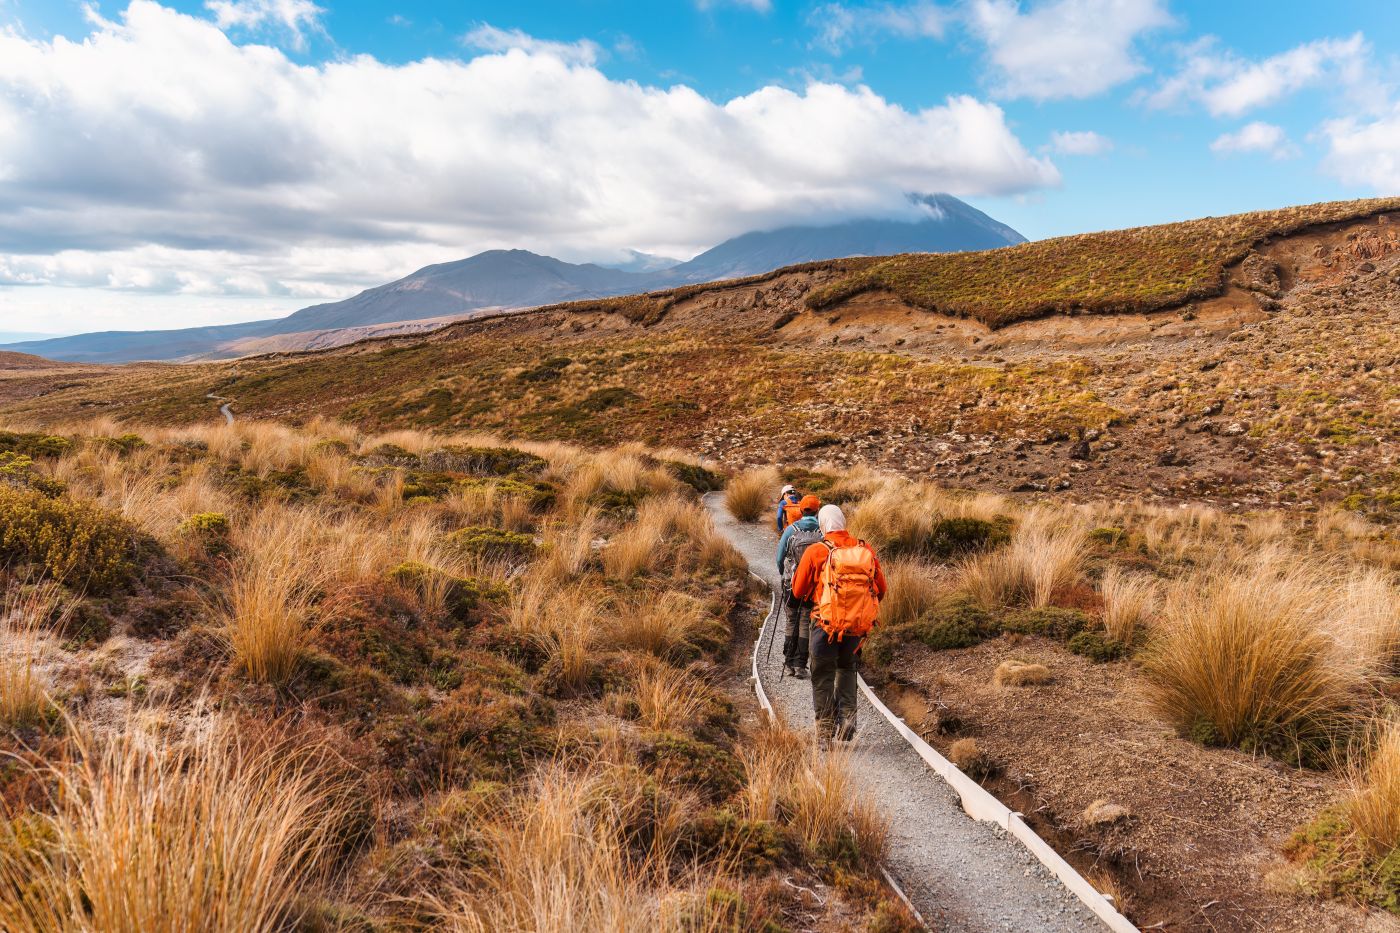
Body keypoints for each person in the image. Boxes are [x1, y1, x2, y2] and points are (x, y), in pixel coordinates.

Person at [790, 504, 886, 745]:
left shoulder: (817, 551)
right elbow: (881, 590)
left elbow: (798, 590)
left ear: (823, 526)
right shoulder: (864, 549)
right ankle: (848, 719)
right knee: (847, 669)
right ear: (843, 522)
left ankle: (824, 733)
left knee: (822, 675)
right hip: (855, 627)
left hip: (824, 624)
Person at [775, 494, 822, 679]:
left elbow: (780, 558)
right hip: (812, 586)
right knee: (805, 621)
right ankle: (801, 665)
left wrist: (783, 573)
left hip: (791, 583)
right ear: (817, 510)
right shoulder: (822, 532)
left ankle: (789, 662)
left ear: (801, 510)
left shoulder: (791, 530)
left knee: (791, 619)